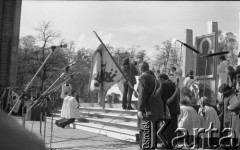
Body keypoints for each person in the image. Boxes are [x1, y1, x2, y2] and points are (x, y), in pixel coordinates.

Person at [137, 61, 164, 150]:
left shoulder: (143, 78)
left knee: (145, 129)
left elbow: (142, 94)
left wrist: (140, 109)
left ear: (141, 69)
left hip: (146, 108)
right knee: (152, 130)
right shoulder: (156, 80)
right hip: (155, 109)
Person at [159, 73, 179, 148]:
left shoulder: (165, 85)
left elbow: (164, 99)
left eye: (159, 80)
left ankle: (167, 143)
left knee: (167, 127)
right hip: (175, 109)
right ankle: (173, 143)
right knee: (173, 126)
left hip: (168, 109)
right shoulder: (174, 84)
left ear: (162, 79)